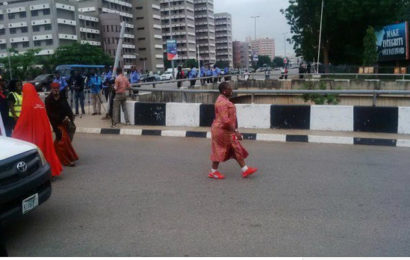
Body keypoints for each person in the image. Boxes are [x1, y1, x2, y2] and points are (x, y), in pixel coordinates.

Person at [209, 81, 258, 180]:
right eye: (229, 89)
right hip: (221, 131)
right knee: (219, 150)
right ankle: (213, 172)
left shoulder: (224, 100)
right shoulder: (222, 103)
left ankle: (245, 169)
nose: (232, 91)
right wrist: (236, 131)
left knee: (236, 148)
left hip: (226, 130)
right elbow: (225, 120)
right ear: (224, 91)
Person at [12, 83, 63, 177]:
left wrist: (15, 133)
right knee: (47, 152)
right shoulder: (39, 103)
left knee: (36, 156)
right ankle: (52, 171)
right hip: (44, 132)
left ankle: (40, 174)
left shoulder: (27, 104)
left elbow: (23, 121)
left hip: (35, 135)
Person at [45, 82, 79, 167]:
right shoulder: (48, 100)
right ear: (51, 90)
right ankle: (65, 160)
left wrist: (70, 117)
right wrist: (56, 128)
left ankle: (53, 155)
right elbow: (50, 115)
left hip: (66, 121)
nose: (56, 90)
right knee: (63, 140)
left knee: (63, 139)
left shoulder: (62, 97)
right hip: (57, 123)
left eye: (57, 89)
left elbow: (67, 108)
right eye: (54, 89)